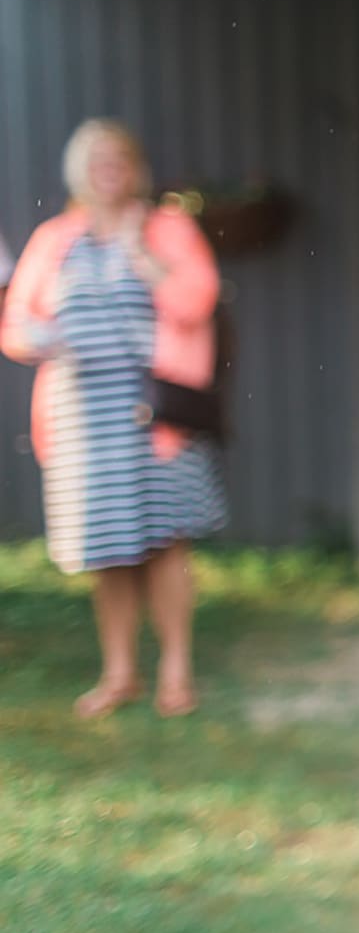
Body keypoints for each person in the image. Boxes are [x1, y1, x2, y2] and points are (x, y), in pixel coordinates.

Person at [1, 119, 226, 720]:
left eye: (119, 158)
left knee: (165, 542)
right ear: (79, 169)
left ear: (136, 169)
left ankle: (176, 673)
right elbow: (15, 324)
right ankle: (120, 673)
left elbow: (197, 301)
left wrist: (140, 256)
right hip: (82, 421)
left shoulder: (167, 228)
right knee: (108, 549)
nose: (109, 168)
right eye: (96, 158)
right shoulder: (56, 239)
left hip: (153, 417)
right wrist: (38, 334)